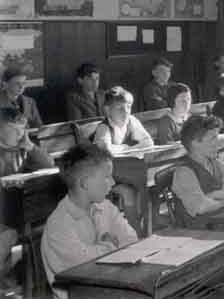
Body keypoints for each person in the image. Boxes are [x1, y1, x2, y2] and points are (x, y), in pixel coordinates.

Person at [41, 144, 138, 299]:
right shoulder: (58, 225)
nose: (113, 182)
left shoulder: (105, 206)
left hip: (111, 286)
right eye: (107, 177)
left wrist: (97, 250)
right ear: (85, 183)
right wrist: (110, 245)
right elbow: (86, 271)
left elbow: (132, 241)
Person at [0, 107, 53, 291]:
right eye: (14, 129)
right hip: (4, 219)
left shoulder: (22, 150)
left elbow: (48, 164)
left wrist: (30, 146)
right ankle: (7, 284)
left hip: (18, 214)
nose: (20, 133)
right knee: (7, 237)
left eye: (22, 129)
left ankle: (19, 284)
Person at [93, 86, 153, 233]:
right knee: (144, 177)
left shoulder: (132, 121)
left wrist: (123, 149)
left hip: (129, 170)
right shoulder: (104, 128)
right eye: (120, 108)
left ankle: (146, 226)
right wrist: (131, 148)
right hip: (109, 174)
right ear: (107, 110)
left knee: (148, 178)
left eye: (128, 107)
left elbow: (148, 142)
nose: (126, 111)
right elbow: (106, 151)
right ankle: (145, 229)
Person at [171, 115, 224, 228]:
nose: (218, 143)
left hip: (223, 219)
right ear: (195, 142)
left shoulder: (215, 163)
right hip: (201, 231)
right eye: (212, 138)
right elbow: (201, 207)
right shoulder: (184, 172)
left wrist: (214, 195)